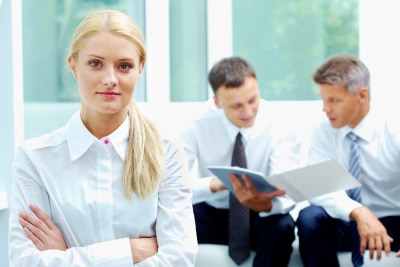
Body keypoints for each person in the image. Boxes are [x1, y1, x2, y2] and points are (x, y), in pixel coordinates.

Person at [8, 9, 197, 267]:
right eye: (95, 64)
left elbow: (180, 259)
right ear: (73, 65)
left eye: (124, 66)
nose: (110, 79)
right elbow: (25, 262)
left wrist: (66, 255)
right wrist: (130, 252)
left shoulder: (168, 152)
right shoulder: (35, 158)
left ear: (140, 68)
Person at [178, 56, 301, 267]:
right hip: (212, 213)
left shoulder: (280, 123)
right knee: (169, 223)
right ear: (217, 102)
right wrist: (213, 184)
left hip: (260, 214)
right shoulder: (195, 124)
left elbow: (287, 186)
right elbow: (173, 184)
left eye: (253, 100)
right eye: (236, 106)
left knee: (282, 226)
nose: (247, 112)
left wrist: (265, 203)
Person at [296, 53, 400, 267]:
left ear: (362, 95)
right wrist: (359, 212)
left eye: (333, 100)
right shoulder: (322, 130)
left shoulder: (394, 129)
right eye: (323, 99)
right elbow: (318, 187)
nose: (325, 108)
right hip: (348, 218)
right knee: (309, 217)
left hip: (392, 220)